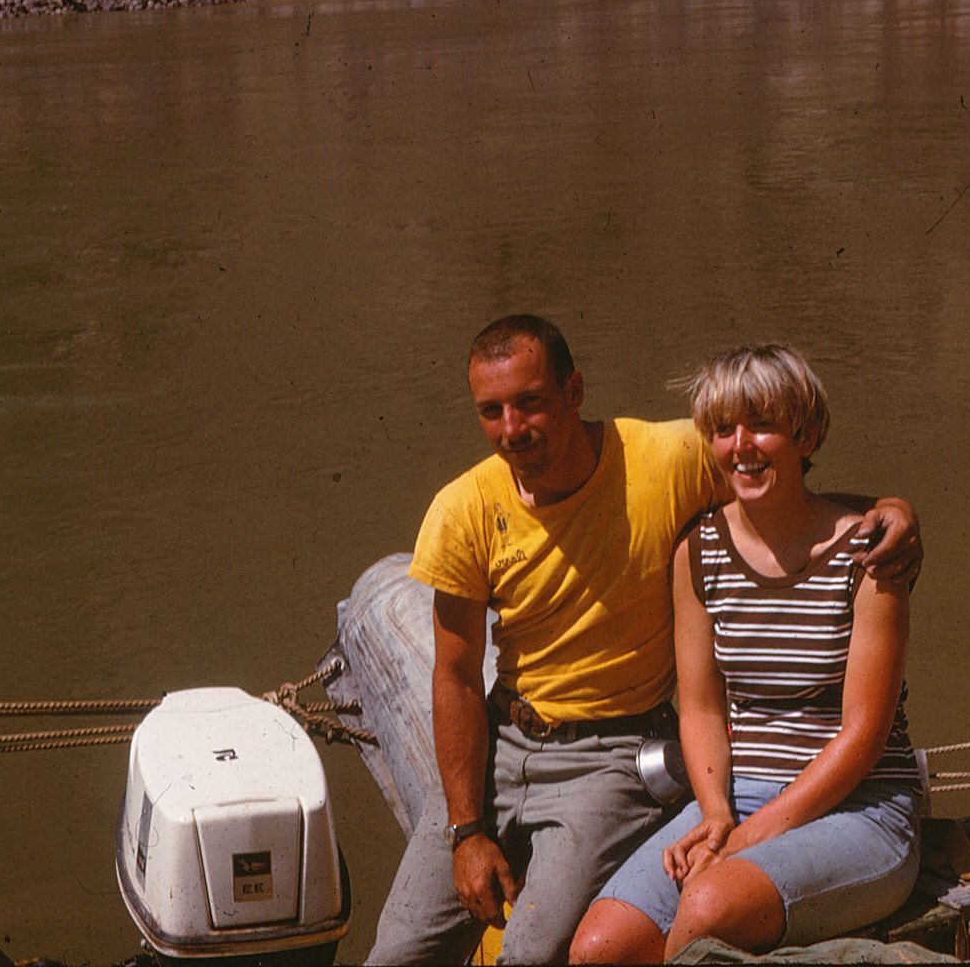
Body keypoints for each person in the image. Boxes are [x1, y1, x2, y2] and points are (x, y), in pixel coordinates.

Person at [365, 317, 923, 966]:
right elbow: (457, 676)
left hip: (624, 759)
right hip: (520, 743)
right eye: (492, 411)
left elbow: (790, 496)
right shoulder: (469, 510)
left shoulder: (676, 465)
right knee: (419, 953)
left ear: (574, 390)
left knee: (555, 947)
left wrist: (896, 508)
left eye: (531, 402)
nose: (512, 428)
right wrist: (466, 831)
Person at [569, 342, 923, 963]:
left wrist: (743, 842)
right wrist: (714, 816)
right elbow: (701, 710)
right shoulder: (698, 553)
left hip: (861, 809)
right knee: (599, 948)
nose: (742, 446)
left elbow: (863, 736)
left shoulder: (871, 553)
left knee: (708, 909)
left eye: (763, 425)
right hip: (739, 798)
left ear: (807, 435)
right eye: (724, 430)